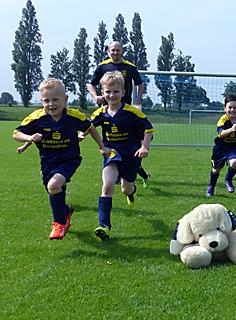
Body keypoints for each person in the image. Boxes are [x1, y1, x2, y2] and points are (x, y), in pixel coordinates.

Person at [13, 78, 109, 240]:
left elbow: (90, 127)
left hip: (68, 159)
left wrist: (101, 146)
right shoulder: (37, 118)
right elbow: (16, 134)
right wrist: (28, 138)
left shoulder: (73, 116)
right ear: (41, 101)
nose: (51, 104)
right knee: (53, 189)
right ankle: (66, 211)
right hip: (48, 162)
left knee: (54, 185)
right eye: (46, 101)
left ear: (65, 99)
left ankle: (59, 223)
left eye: (55, 100)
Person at [90, 71, 154, 240]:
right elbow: (89, 126)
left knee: (126, 189)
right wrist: (81, 135)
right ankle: (104, 225)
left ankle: (132, 192)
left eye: (116, 91)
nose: (112, 95)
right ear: (102, 93)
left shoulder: (133, 112)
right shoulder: (100, 113)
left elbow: (148, 130)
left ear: (123, 93)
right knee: (107, 186)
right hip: (111, 154)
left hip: (131, 155)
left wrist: (144, 147)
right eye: (108, 92)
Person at [88, 40, 151, 188]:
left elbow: (139, 83)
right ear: (108, 51)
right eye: (112, 50)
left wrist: (138, 101)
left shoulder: (129, 67)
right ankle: (119, 173)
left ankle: (134, 174)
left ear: (122, 51)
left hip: (127, 112)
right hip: (108, 113)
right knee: (115, 145)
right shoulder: (102, 67)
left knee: (130, 148)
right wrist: (95, 96)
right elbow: (91, 84)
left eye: (118, 50)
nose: (115, 52)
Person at [206, 94, 236, 197]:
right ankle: (211, 187)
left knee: (235, 163)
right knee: (216, 170)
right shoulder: (223, 120)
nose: (232, 110)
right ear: (225, 108)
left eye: (235, 107)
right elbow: (221, 134)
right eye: (230, 107)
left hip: (232, 148)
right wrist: (231, 129)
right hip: (220, 149)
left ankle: (228, 179)